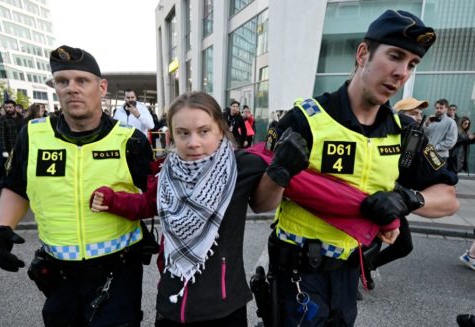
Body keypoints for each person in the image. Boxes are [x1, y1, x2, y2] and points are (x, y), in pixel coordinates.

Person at [266, 10, 459, 326]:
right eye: (395, 56)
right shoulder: (305, 119)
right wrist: (278, 172)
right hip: (296, 276)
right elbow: (261, 200)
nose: (402, 73)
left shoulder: (405, 134)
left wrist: (410, 199)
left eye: (412, 64)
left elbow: (448, 196)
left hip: (349, 275)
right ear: (362, 54)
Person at [89, 91, 309, 326]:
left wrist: (281, 172)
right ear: (172, 135)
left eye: (204, 131)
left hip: (224, 305)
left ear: (220, 129)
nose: (193, 143)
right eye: (183, 133)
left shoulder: (241, 166)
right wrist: (113, 201)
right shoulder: (166, 171)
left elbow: (263, 204)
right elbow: (147, 204)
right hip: (172, 300)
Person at [0, 45, 154, 326]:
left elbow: (157, 198)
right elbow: (16, 187)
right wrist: (2, 229)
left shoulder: (131, 140)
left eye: (81, 81)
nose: (71, 88)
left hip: (119, 270)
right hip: (59, 272)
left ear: (101, 88)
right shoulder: (33, 134)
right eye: (62, 81)